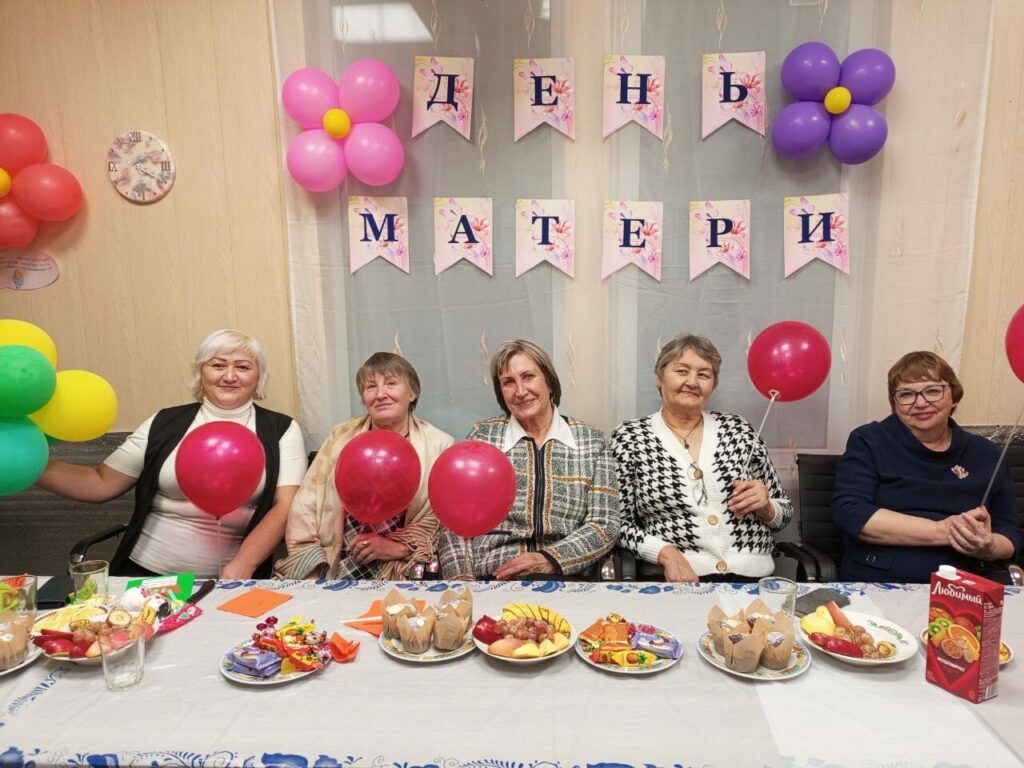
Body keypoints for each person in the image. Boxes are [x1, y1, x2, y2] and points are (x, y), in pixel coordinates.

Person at [36, 329, 307, 579]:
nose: (229, 376)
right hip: (144, 575)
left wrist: (244, 564)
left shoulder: (281, 430)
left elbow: (286, 506)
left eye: (243, 367)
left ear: (259, 376)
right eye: (218, 365)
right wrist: (29, 467)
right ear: (200, 372)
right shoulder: (164, 422)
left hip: (235, 579)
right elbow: (101, 482)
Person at [611, 334, 793, 582]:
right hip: (677, 579)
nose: (692, 382)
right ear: (659, 378)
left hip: (753, 579)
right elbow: (618, 525)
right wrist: (665, 553)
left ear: (713, 385)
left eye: (704, 374)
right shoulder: (630, 437)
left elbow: (785, 513)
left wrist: (767, 507)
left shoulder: (739, 429)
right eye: (681, 371)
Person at [832, 351, 1022, 583]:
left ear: (954, 396)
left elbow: (1009, 535)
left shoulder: (987, 453)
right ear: (894, 403)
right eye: (906, 394)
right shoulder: (870, 441)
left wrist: (988, 546)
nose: (920, 403)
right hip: (880, 581)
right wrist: (943, 531)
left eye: (932, 391)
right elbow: (851, 512)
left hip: (965, 584)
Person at [437, 340, 619, 580]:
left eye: (528, 377)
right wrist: (462, 582)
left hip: (566, 577)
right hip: (493, 576)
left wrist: (550, 559)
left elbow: (604, 524)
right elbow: (452, 524)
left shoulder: (591, 441)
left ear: (550, 382)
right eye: (508, 382)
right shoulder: (482, 439)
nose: (521, 391)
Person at [276, 353, 453, 580]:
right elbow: (306, 504)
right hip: (333, 565)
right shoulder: (340, 436)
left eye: (391, 383)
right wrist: (311, 570)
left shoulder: (440, 445)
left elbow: (442, 522)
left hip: (401, 569)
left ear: (412, 393)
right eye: (371, 387)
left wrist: (397, 548)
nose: (380, 394)